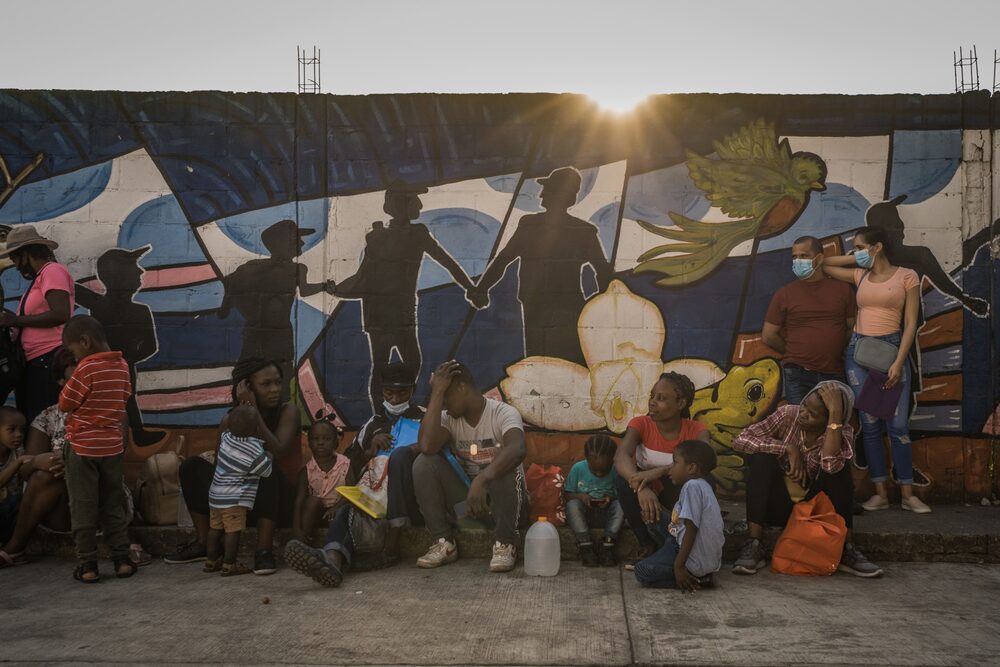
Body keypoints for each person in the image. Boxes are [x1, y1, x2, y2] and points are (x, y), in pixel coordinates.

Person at [334, 184, 483, 412]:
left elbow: (446, 262)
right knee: (390, 364)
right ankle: (382, 413)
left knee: (406, 362)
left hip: (395, 311)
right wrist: (471, 288)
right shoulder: (387, 236)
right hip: (385, 311)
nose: (418, 205)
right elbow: (364, 277)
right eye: (412, 200)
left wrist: (471, 288)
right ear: (398, 205)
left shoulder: (409, 235)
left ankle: (393, 407)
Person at [0, 348, 150, 569]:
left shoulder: (115, 413)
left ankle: (99, 559)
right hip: (62, 508)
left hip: (103, 498)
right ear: (62, 382)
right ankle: (16, 547)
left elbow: (112, 461)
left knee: (83, 471)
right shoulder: (48, 418)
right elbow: (24, 473)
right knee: (43, 476)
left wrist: (73, 464)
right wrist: (39, 461)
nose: (84, 387)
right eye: (75, 380)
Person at [283, 363, 427, 588]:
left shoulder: (424, 418)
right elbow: (351, 464)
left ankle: (350, 557)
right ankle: (331, 561)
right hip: (375, 498)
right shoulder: (371, 425)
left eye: (402, 393)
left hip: (408, 498)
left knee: (398, 462)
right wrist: (369, 450)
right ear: (382, 391)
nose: (396, 398)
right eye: (390, 392)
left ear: (413, 390)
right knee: (348, 508)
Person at [823, 228, 931, 514]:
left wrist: (898, 362)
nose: (854, 251)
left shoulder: (906, 276)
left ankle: (907, 494)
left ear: (877, 246)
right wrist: (857, 259)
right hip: (858, 353)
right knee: (869, 425)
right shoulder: (861, 275)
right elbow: (825, 264)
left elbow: (910, 324)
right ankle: (880, 492)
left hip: (891, 351)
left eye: (860, 246)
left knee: (898, 427)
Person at [165, 357, 302, 574]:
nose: (275, 389)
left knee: (266, 465)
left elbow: (278, 450)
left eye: (277, 382)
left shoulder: (289, 412)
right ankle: (205, 544)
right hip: (238, 504)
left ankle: (263, 551)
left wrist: (253, 413)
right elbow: (222, 465)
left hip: (278, 502)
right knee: (191, 467)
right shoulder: (231, 420)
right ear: (246, 387)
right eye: (266, 384)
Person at [731, 381, 882, 578]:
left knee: (840, 467)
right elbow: (741, 440)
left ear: (829, 420)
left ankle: (846, 547)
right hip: (779, 507)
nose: (804, 414)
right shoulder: (788, 415)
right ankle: (754, 543)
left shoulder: (842, 433)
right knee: (762, 457)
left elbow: (829, 465)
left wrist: (835, 413)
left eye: (813, 414)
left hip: (816, 512)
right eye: (804, 406)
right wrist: (787, 448)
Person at [470, 167, 613, 365]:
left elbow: (504, 259)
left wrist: (482, 289)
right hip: (561, 307)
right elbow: (604, 275)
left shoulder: (532, 225)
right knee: (564, 363)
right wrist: (595, 305)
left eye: (548, 189)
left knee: (543, 362)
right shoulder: (584, 231)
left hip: (544, 307)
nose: (541, 193)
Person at [413, 360, 528, 573]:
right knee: (424, 463)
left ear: (462, 388)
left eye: (446, 396)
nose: (443, 404)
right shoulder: (449, 419)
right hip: (471, 508)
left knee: (504, 463)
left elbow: (518, 448)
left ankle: (506, 543)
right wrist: (437, 393)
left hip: (507, 507)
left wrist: (483, 479)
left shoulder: (503, 413)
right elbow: (427, 446)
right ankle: (444, 542)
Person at [58, 315, 135, 583]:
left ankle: (88, 564)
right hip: (112, 446)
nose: (74, 356)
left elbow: (66, 403)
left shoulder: (86, 369)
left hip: (82, 447)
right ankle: (122, 559)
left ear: (84, 341)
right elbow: (124, 397)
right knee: (112, 503)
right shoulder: (123, 366)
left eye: (72, 350)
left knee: (83, 505)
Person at [219, 220, 336, 383]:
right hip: (260, 332)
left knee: (281, 373)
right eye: (296, 239)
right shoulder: (256, 267)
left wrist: (324, 286)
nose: (302, 242)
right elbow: (230, 285)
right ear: (282, 244)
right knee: (247, 372)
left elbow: (304, 290)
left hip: (278, 332)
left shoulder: (296, 269)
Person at [76, 246, 165, 447]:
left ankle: (136, 433)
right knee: (119, 398)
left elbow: (150, 346)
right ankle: (133, 433)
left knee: (127, 396)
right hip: (107, 369)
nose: (141, 272)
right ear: (119, 276)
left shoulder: (136, 310)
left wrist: (126, 359)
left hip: (121, 366)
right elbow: (71, 289)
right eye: (134, 267)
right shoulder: (99, 305)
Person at [614, 372, 709, 559]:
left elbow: (706, 460)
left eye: (662, 398)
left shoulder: (696, 430)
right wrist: (640, 486)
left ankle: (679, 544)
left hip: (675, 496)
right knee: (621, 481)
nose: (652, 402)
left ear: (680, 404)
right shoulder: (641, 424)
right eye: (652, 396)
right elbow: (621, 456)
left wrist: (660, 471)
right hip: (646, 495)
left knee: (702, 481)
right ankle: (646, 544)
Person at [762, 236, 856, 405]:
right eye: (794, 257)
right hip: (798, 375)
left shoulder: (843, 290)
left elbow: (852, 328)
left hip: (833, 373)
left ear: (819, 258)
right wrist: (795, 354)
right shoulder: (784, 294)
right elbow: (769, 335)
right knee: (800, 424)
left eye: (804, 256)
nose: (798, 261)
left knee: (833, 424)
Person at [0, 225, 74, 424]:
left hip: (47, 360)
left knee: (42, 423)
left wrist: (15, 320)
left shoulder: (53, 271)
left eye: (16, 259)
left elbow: (61, 313)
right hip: (35, 362)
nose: (16, 266)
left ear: (25, 254)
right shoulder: (40, 278)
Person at [633, 439, 724, 591]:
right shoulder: (703, 485)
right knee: (653, 515)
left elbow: (691, 528)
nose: (670, 469)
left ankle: (696, 578)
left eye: (675, 463)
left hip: (691, 558)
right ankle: (669, 555)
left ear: (691, 468)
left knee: (642, 571)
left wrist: (679, 566)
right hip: (698, 552)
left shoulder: (692, 487)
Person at [203, 405, 272, 577]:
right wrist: (269, 455)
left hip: (216, 495)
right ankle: (229, 563)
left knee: (215, 529)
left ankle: (211, 560)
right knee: (232, 531)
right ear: (257, 428)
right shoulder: (253, 449)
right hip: (234, 499)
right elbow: (266, 470)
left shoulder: (226, 437)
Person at [564, 434, 623, 567]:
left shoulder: (617, 471)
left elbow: (622, 496)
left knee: (621, 505)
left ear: (613, 460)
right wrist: (582, 497)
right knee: (572, 505)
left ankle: (608, 546)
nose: (599, 474)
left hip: (607, 515)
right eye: (594, 470)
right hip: (585, 516)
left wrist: (610, 498)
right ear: (587, 459)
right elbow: (568, 496)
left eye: (604, 470)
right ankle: (585, 546)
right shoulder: (578, 469)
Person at [292, 420, 350, 545]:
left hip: (338, 511)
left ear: (336, 442)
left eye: (327, 439)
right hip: (315, 513)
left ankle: (332, 549)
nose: (320, 443)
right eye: (315, 439)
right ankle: (303, 543)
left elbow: (352, 492)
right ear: (309, 443)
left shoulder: (345, 465)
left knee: (338, 515)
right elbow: (299, 502)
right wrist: (297, 529)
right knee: (313, 500)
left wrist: (336, 507)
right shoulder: (306, 471)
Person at [0, 407, 29, 546]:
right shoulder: (18, 458)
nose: (18, 434)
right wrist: (18, 463)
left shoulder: (18, 451)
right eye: (11, 429)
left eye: (22, 430)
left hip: (10, 509)